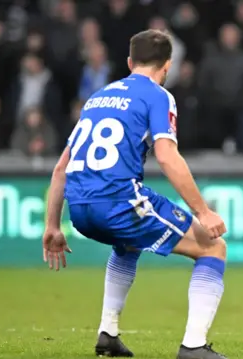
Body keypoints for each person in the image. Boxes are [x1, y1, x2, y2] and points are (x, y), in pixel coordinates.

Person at [41, 29, 229, 359]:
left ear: (129, 62)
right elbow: (168, 157)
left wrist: (52, 226)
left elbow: (60, 169)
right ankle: (194, 346)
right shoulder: (158, 95)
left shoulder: (97, 97)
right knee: (213, 248)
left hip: (79, 209)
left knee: (127, 246)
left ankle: (108, 333)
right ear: (167, 65)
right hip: (118, 202)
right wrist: (203, 212)